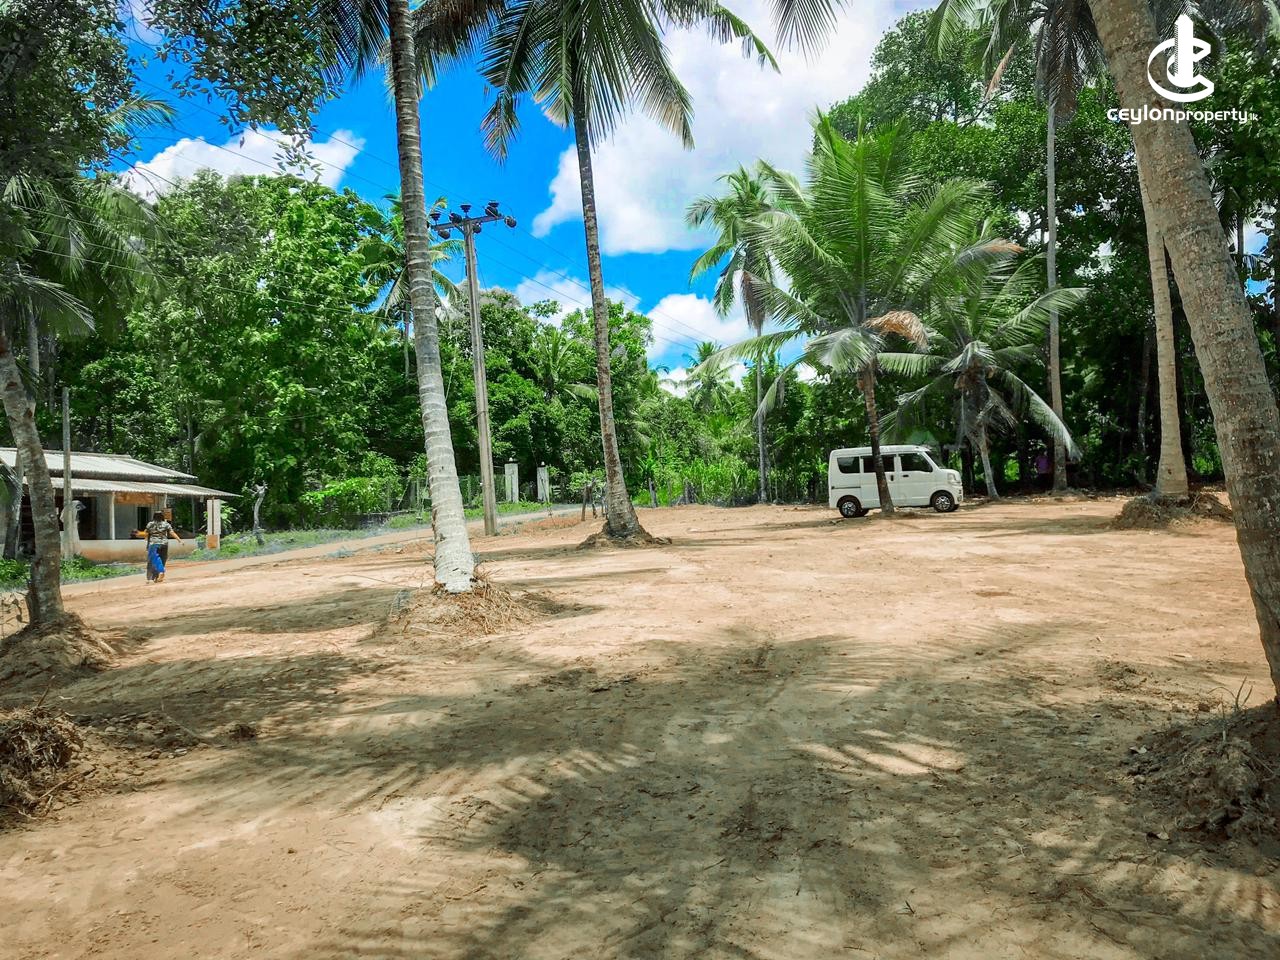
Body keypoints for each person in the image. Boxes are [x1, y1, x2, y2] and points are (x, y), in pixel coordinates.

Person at [136, 512, 182, 584]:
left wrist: (138, 534)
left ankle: (156, 574)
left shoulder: (150, 524)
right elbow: (172, 533)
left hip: (154, 544)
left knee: (154, 560)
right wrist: (179, 540)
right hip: (164, 544)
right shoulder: (166, 524)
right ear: (162, 517)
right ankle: (157, 577)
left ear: (154, 517)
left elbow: (145, 534)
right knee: (162, 559)